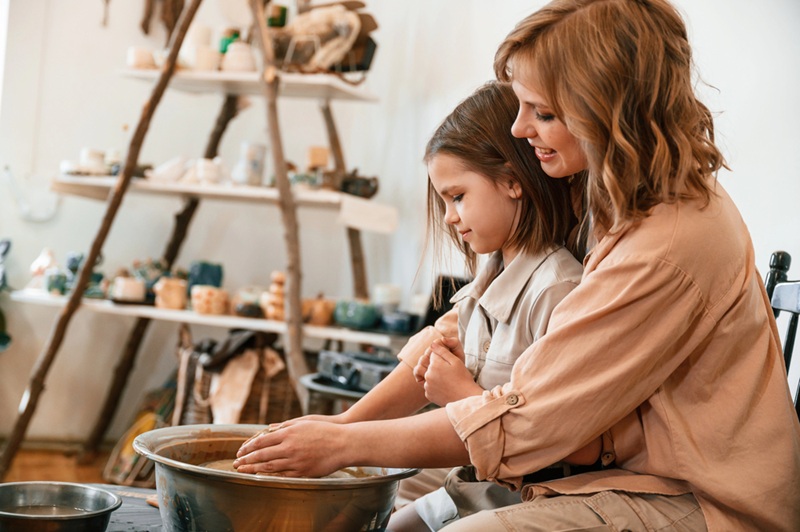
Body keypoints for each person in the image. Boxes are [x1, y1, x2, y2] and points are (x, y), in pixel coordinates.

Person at [235, 0, 800, 529]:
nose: (519, 129)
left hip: (700, 499)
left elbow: (532, 421)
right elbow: (460, 334)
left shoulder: (667, 244)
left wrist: (344, 445)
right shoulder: (613, 196)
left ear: (607, 110)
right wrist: (343, 427)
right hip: (618, 474)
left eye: (544, 112)